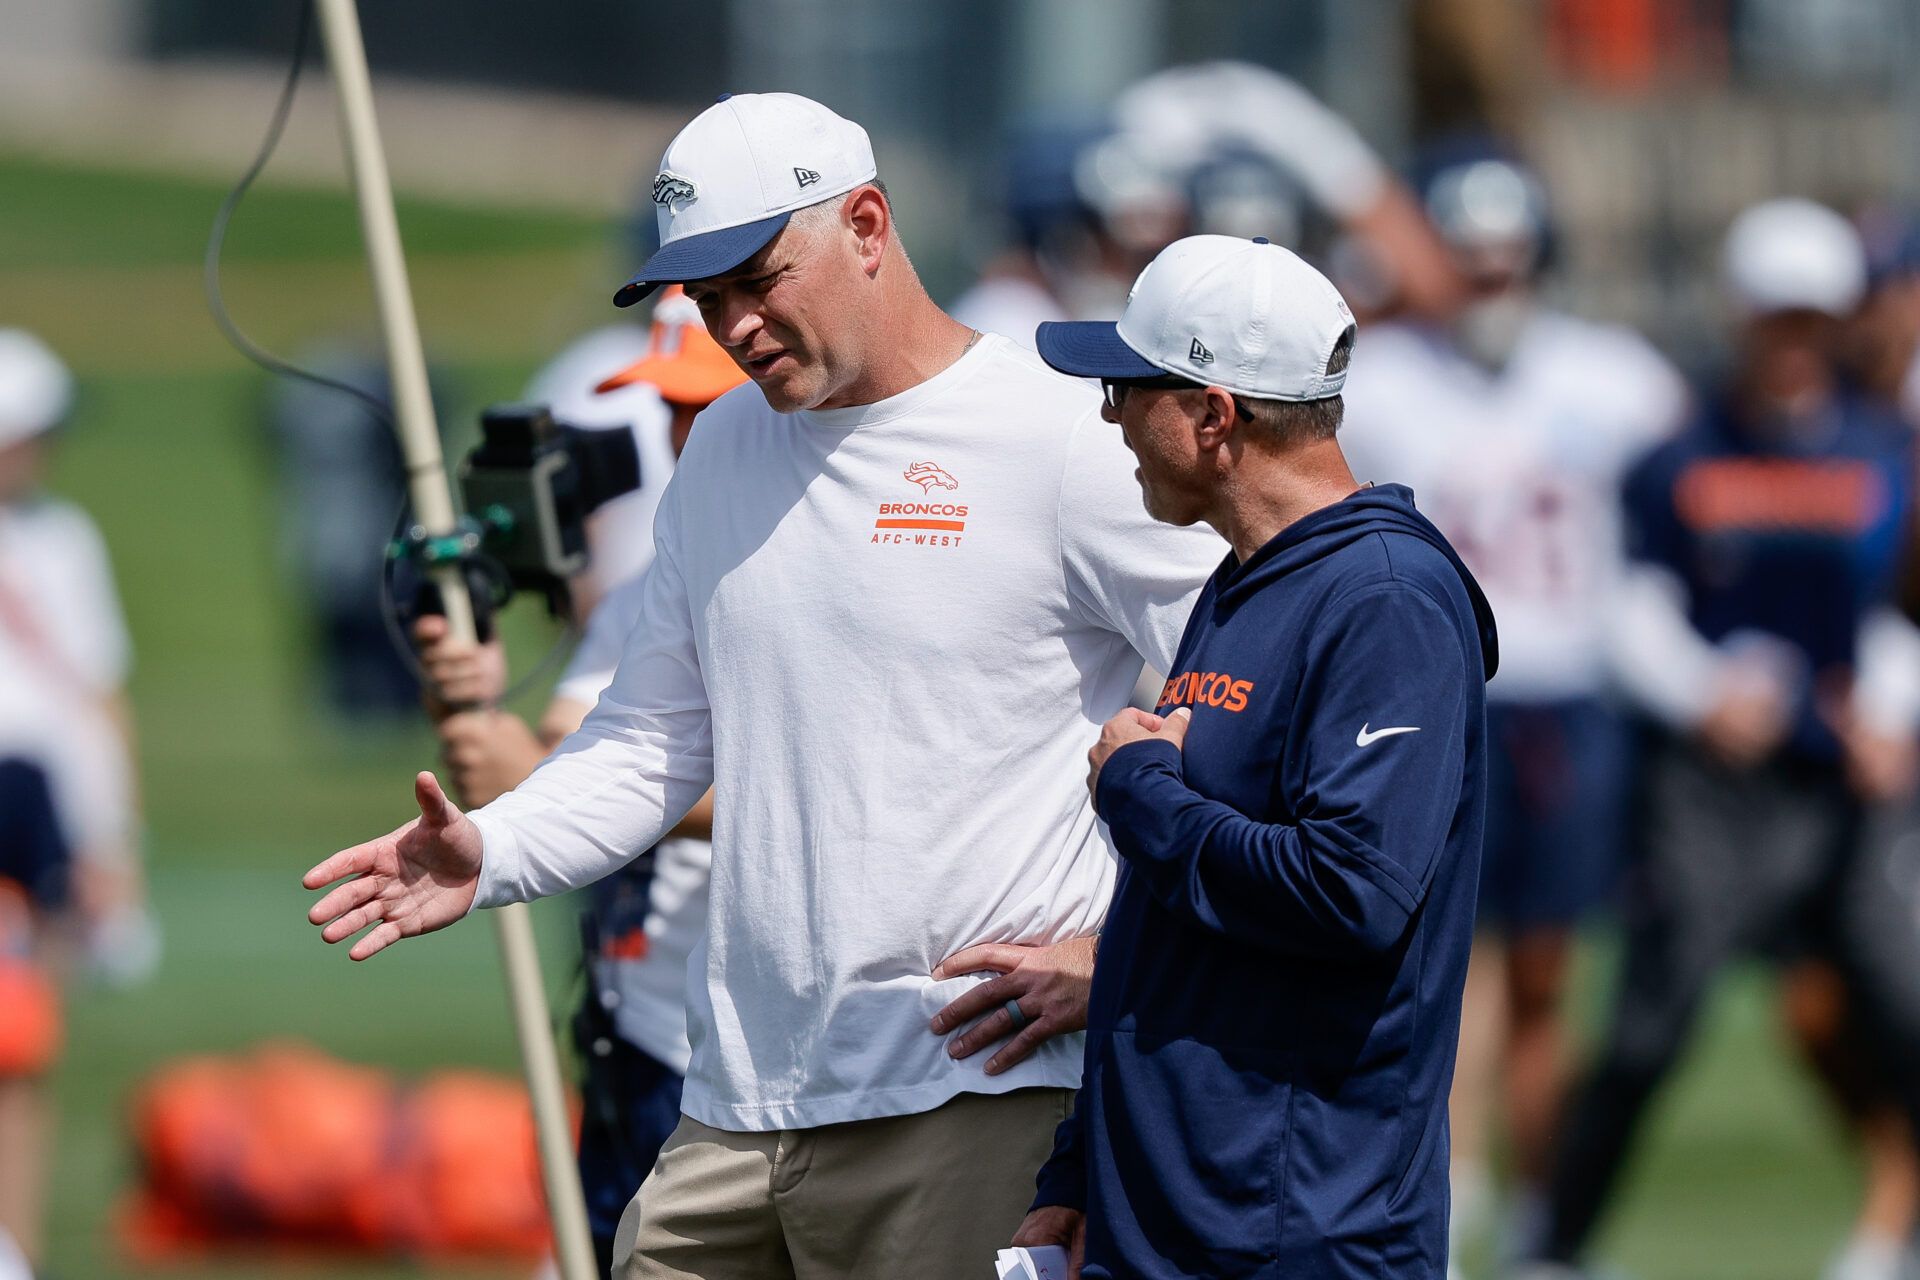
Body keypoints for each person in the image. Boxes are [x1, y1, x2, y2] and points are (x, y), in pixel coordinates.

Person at [305, 91, 1223, 1280]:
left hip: (969, 1094)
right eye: (705, 294)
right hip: (734, 1102)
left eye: (757, 279)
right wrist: (492, 848)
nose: (731, 325)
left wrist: (1116, 955)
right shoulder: (725, 449)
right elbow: (647, 742)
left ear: (870, 223)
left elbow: (1245, 699)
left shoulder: (1059, 437)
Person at [1011, 234, 1497, 1278]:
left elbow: (1351, 888)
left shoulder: (1387, 598)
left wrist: (1140, 793)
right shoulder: (1247, 578)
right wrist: (1078, 1171)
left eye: (1126, 387)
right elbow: (1168, 924)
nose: (1109, 417)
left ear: (1213, 415)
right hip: (1170, 1219)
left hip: (1298, 1232)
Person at [1525, 198, 1920, 1277]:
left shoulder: (1887, 448)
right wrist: (1702, 692)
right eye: (1775, 317)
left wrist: (1888, 710)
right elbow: (1632, 599)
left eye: (1813, 317)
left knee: (1903, 1001)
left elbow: (1897, 605)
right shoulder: (1678, 449)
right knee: (1654, 1020)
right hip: (1712, 784)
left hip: (1847, 782)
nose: (1793, 340)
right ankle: (1553, 1243)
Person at [1338, 151, 1687, 1268]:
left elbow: (1678, 524)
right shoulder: (1384, 377)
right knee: (1433, 966)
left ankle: (1543, 1214)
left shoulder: (1615, 377)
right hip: (1436, 705)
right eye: (1471, 261)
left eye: (1508, 258)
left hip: (1569, 704)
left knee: (1546, 968)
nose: (1491, 280)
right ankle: (1454, 1187)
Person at [412, 285, 742, 1277]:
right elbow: (570, 740)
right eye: (672, 409)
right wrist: (480, 708)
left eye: (708, 405)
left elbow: (829, 803)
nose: (686, 434)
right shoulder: (656, 574)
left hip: (743, 1053)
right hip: (636, 1025)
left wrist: (536, 769)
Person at [0, 328, 152, 1276]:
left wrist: (111, 838)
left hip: (38, 808)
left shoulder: (60, 537)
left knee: (23, 1039)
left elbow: (97, 699)